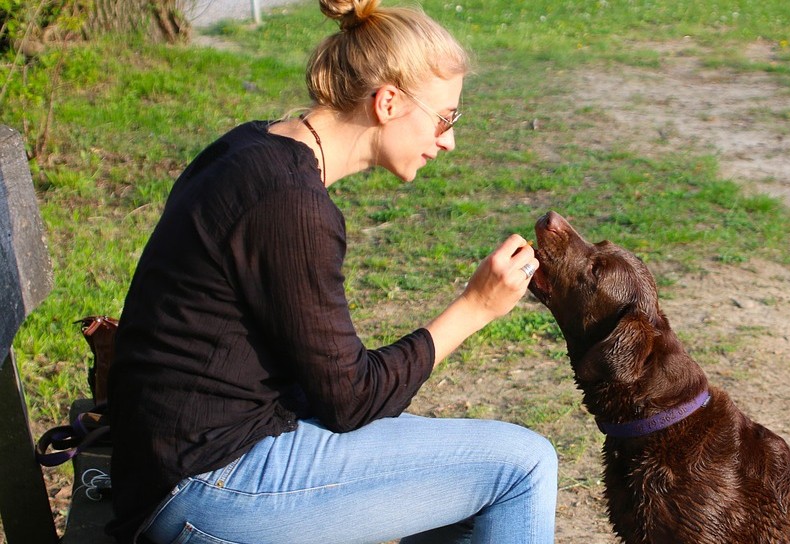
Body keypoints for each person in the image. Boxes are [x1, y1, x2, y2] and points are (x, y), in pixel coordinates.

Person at [105, 1, 557, 543]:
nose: (448, 141)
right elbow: (350, 401)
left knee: (468, 473)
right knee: (523, 465)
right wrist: (474, 308)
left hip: (179, 464)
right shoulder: (291, 205)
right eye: (444, 118)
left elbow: (327, 384)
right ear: (388, 102)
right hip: (203, 486)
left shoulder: (254, 147)